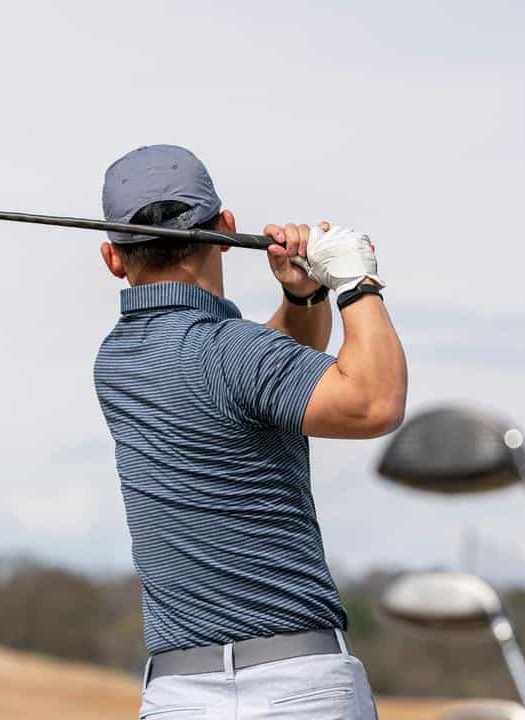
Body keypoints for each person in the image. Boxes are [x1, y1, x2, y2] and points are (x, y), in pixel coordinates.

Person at [94, 145, 407, 720]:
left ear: (113, 257)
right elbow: (374, 402)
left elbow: (266, 380)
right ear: (227, 230)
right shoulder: (232, 354)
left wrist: (301, 296)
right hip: (299, 689)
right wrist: (356, 282)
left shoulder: (117, 361)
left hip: (177, 698)